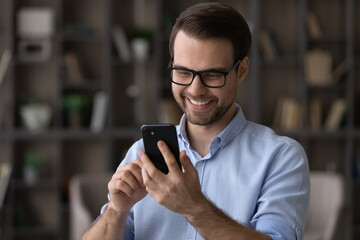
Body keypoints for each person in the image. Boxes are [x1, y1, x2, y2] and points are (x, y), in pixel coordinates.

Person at [83, 2, 310, 240]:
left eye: (212, 74)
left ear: (241, 70)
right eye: (183, 72)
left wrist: (193, 207)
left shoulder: (281, 157)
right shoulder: (141, 153)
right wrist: (116, 210)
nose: (195, 89)